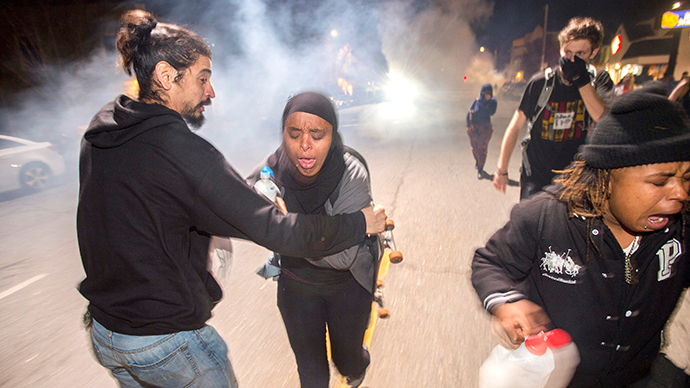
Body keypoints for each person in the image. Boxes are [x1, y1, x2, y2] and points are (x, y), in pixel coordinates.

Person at [77, 11, 386, 388]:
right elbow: (276, 231)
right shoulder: (183, 154)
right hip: (165, 344)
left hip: (108, 334)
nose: (211, 91)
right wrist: (360, 224)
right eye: (202, 78)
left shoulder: (103, 129)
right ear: (165, 76)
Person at [472, 86, 690, 387]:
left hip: (637, 375)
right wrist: (506, 304)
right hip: (558, 379)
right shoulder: (544, 217)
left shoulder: (682, 229)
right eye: (660, 181)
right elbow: (490, 262)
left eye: (687, 178)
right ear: (606, 177)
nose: (679, 193)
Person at [247, 92, 376, 388]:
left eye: (317, 134)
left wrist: (284, 227)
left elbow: (344, 258)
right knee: (311, 372)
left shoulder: (350, 172)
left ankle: (357, 362)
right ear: (283, 135)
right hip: (296, 286)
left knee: (347, 360)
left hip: (347, 286)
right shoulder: (273, 168)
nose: (305, 145)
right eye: (294, 134)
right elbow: (236, 204)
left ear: (333, 135)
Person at [493, 17, 614, 200]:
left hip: (575, 179)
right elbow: (515, 127)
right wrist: (501, 170)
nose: (572, 59)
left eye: (580, 53)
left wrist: (581, 80)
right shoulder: (541, 83)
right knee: (530, 226)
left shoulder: (599, 80)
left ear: (594, 52)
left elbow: (603, 119)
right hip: (536, 177)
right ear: (560, 49)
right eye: (568, 52)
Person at [466, 83, 498, 179]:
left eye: (489, 93)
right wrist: (468, 125)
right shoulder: (476, 101)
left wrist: (488, 102)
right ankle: (477, 161)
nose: (487, 94)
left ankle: (480, 169)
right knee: (474, 147)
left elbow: (492, 112)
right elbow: (469, 113)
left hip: (485, 128)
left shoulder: (492, 102)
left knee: (482, 147)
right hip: (474, 128)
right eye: (485, 92)